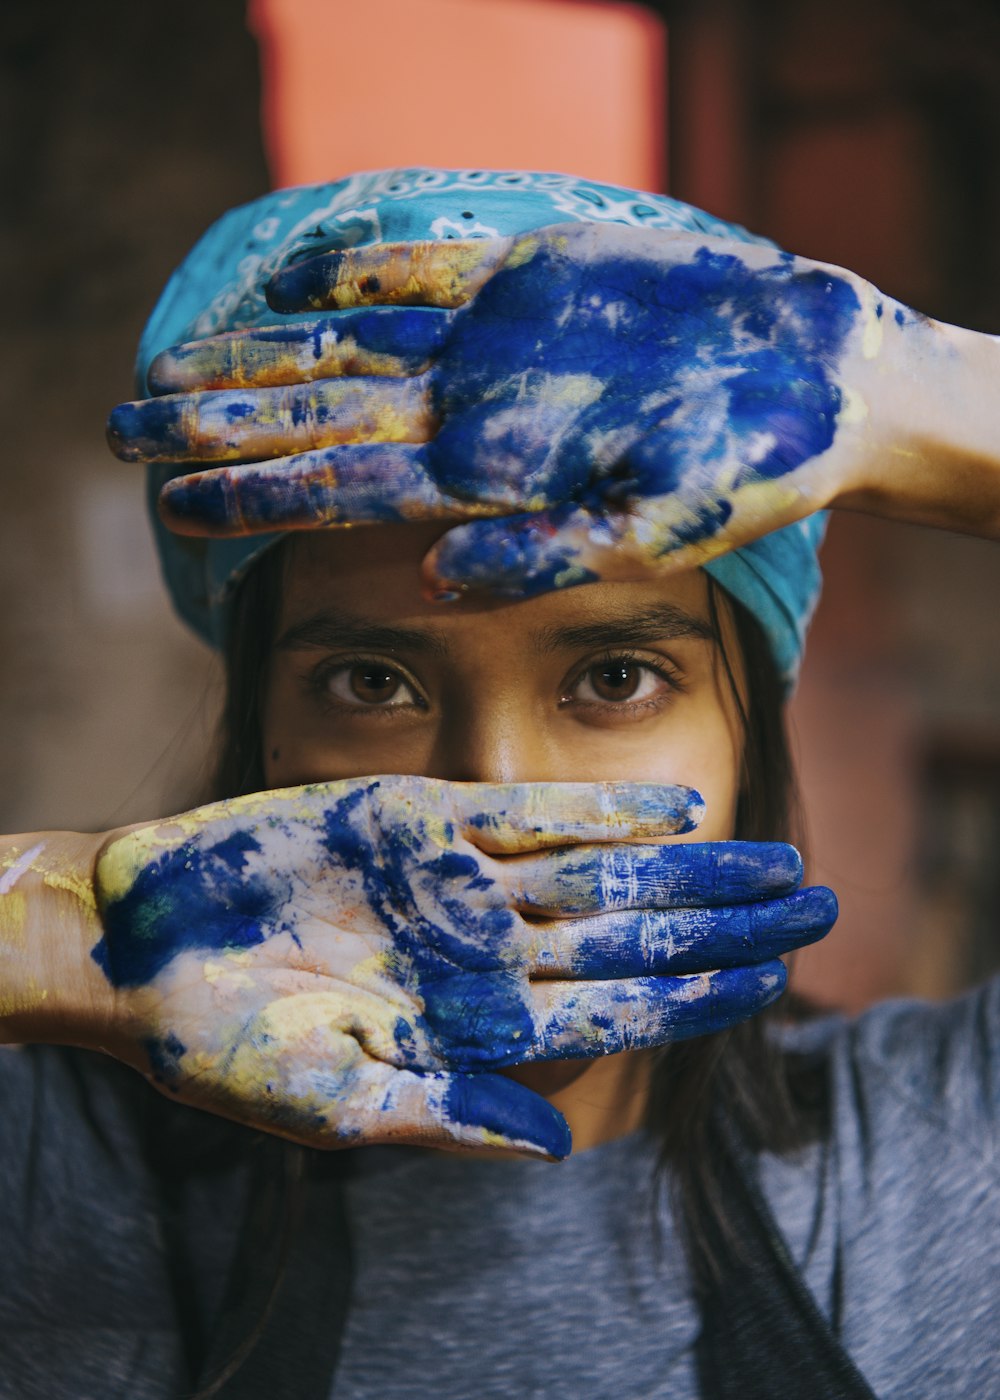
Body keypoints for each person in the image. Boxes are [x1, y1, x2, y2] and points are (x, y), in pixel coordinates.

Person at [2, 169, 998, 1398]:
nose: (494, 797)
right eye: (372, 682)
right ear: (258, 709)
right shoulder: (53, 1165)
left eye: (617, 674)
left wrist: (907, 398)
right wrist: (59, 928)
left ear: (755, 715)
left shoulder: (949, 1155)